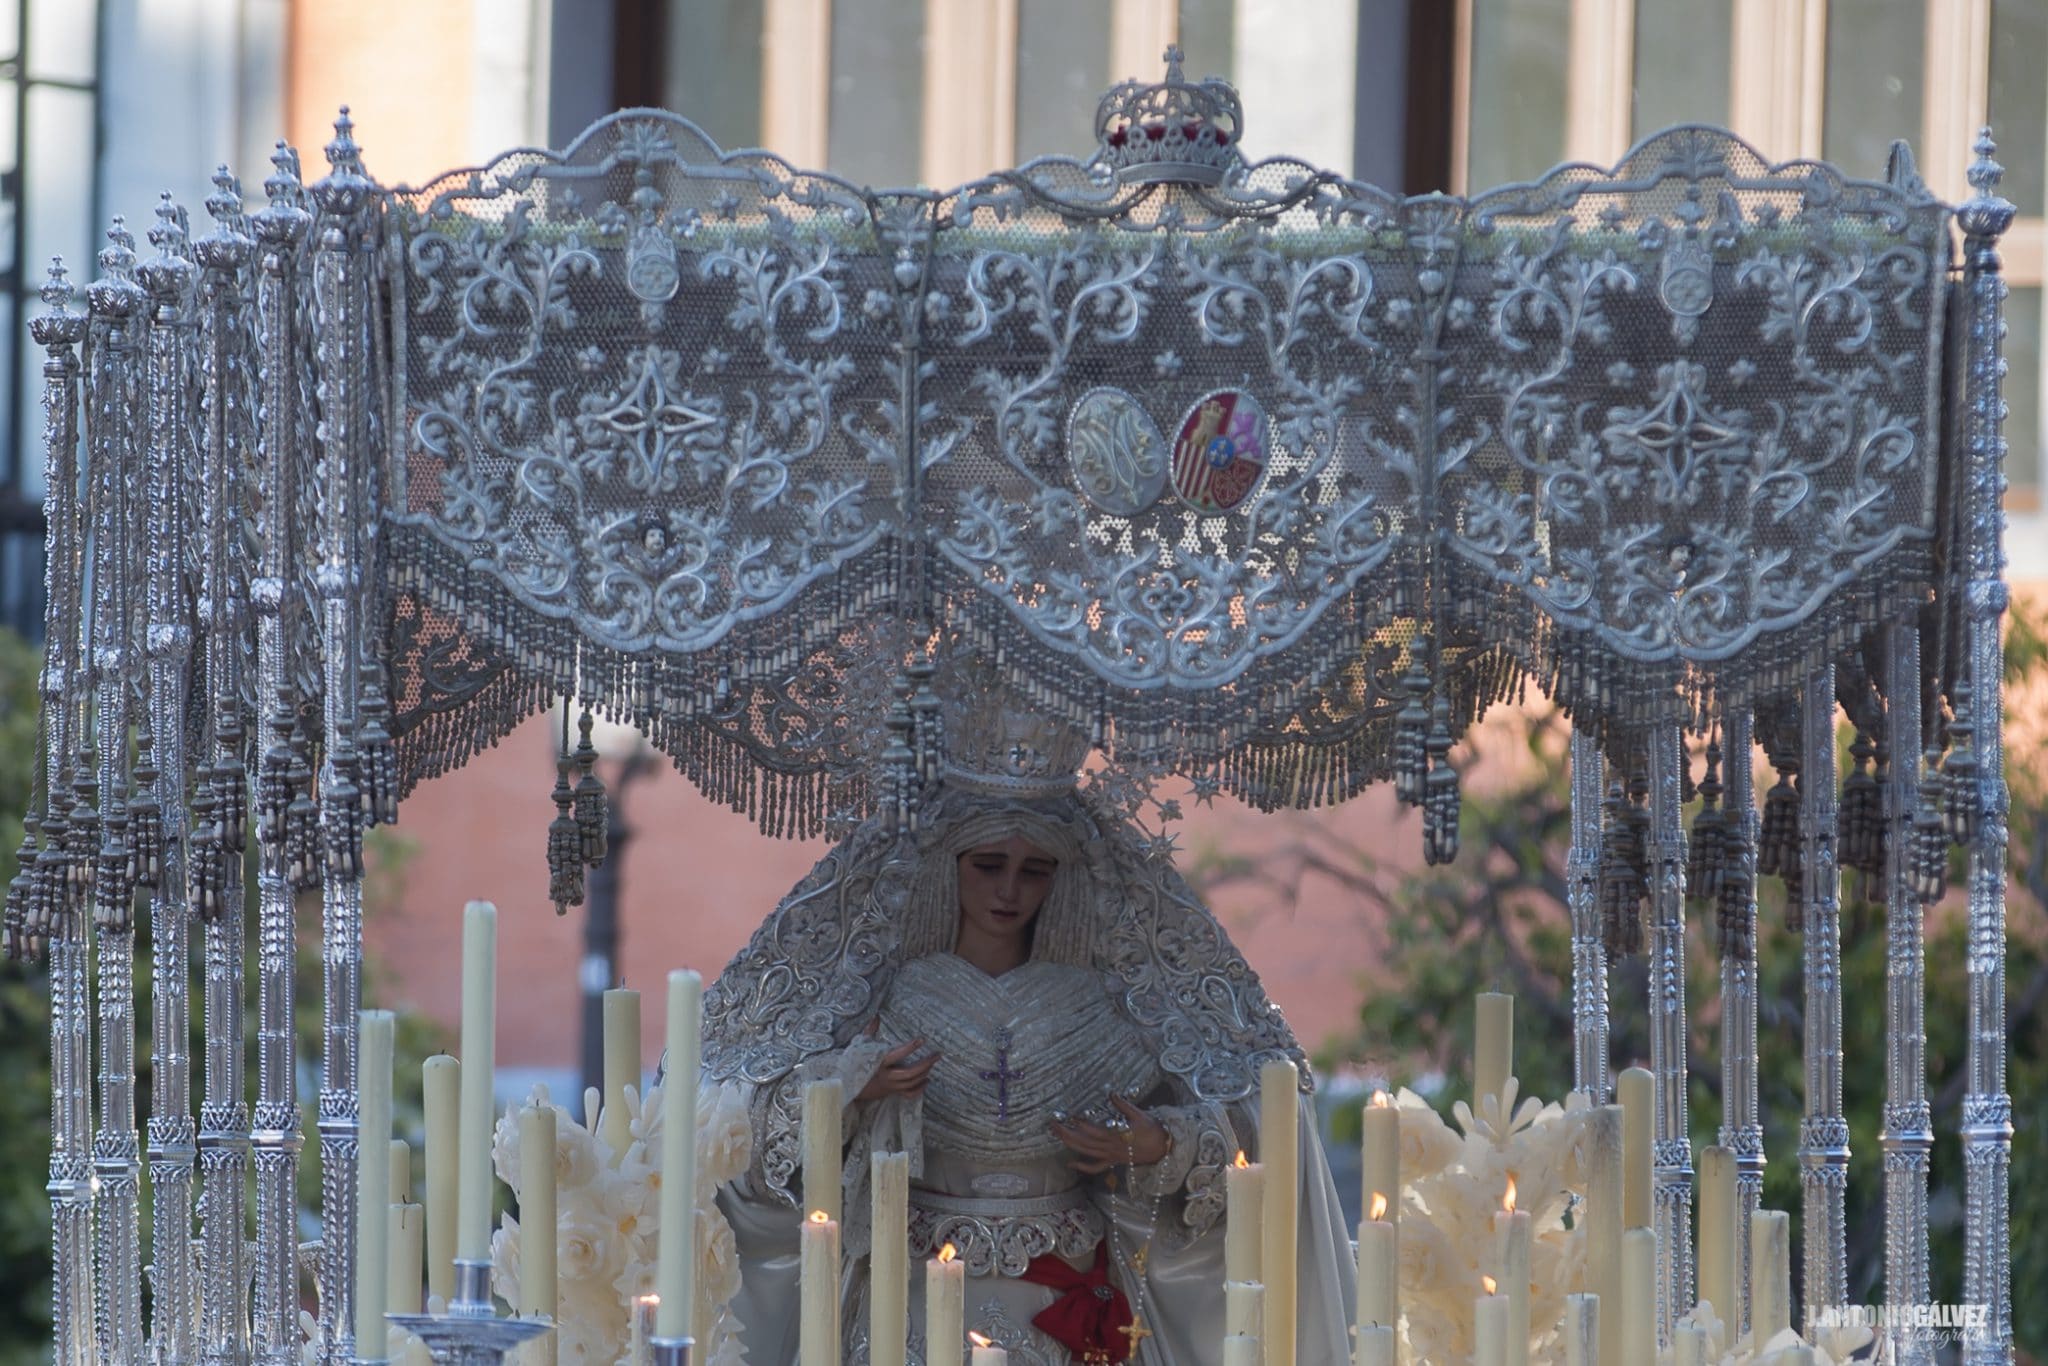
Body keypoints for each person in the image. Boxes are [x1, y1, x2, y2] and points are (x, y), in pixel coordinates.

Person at [692, 691, 1357, 1364]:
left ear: (1059, 881)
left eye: (1033, 871)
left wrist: (1162, 1144)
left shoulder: (1104, 1009)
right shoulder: (890, 1000)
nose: (1008, 891)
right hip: (912, 1300)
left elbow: (1258, 1108)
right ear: (944, 868)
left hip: (1062, 1298)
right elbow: (742, 1113)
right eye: (987, 866)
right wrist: (850, 1090)